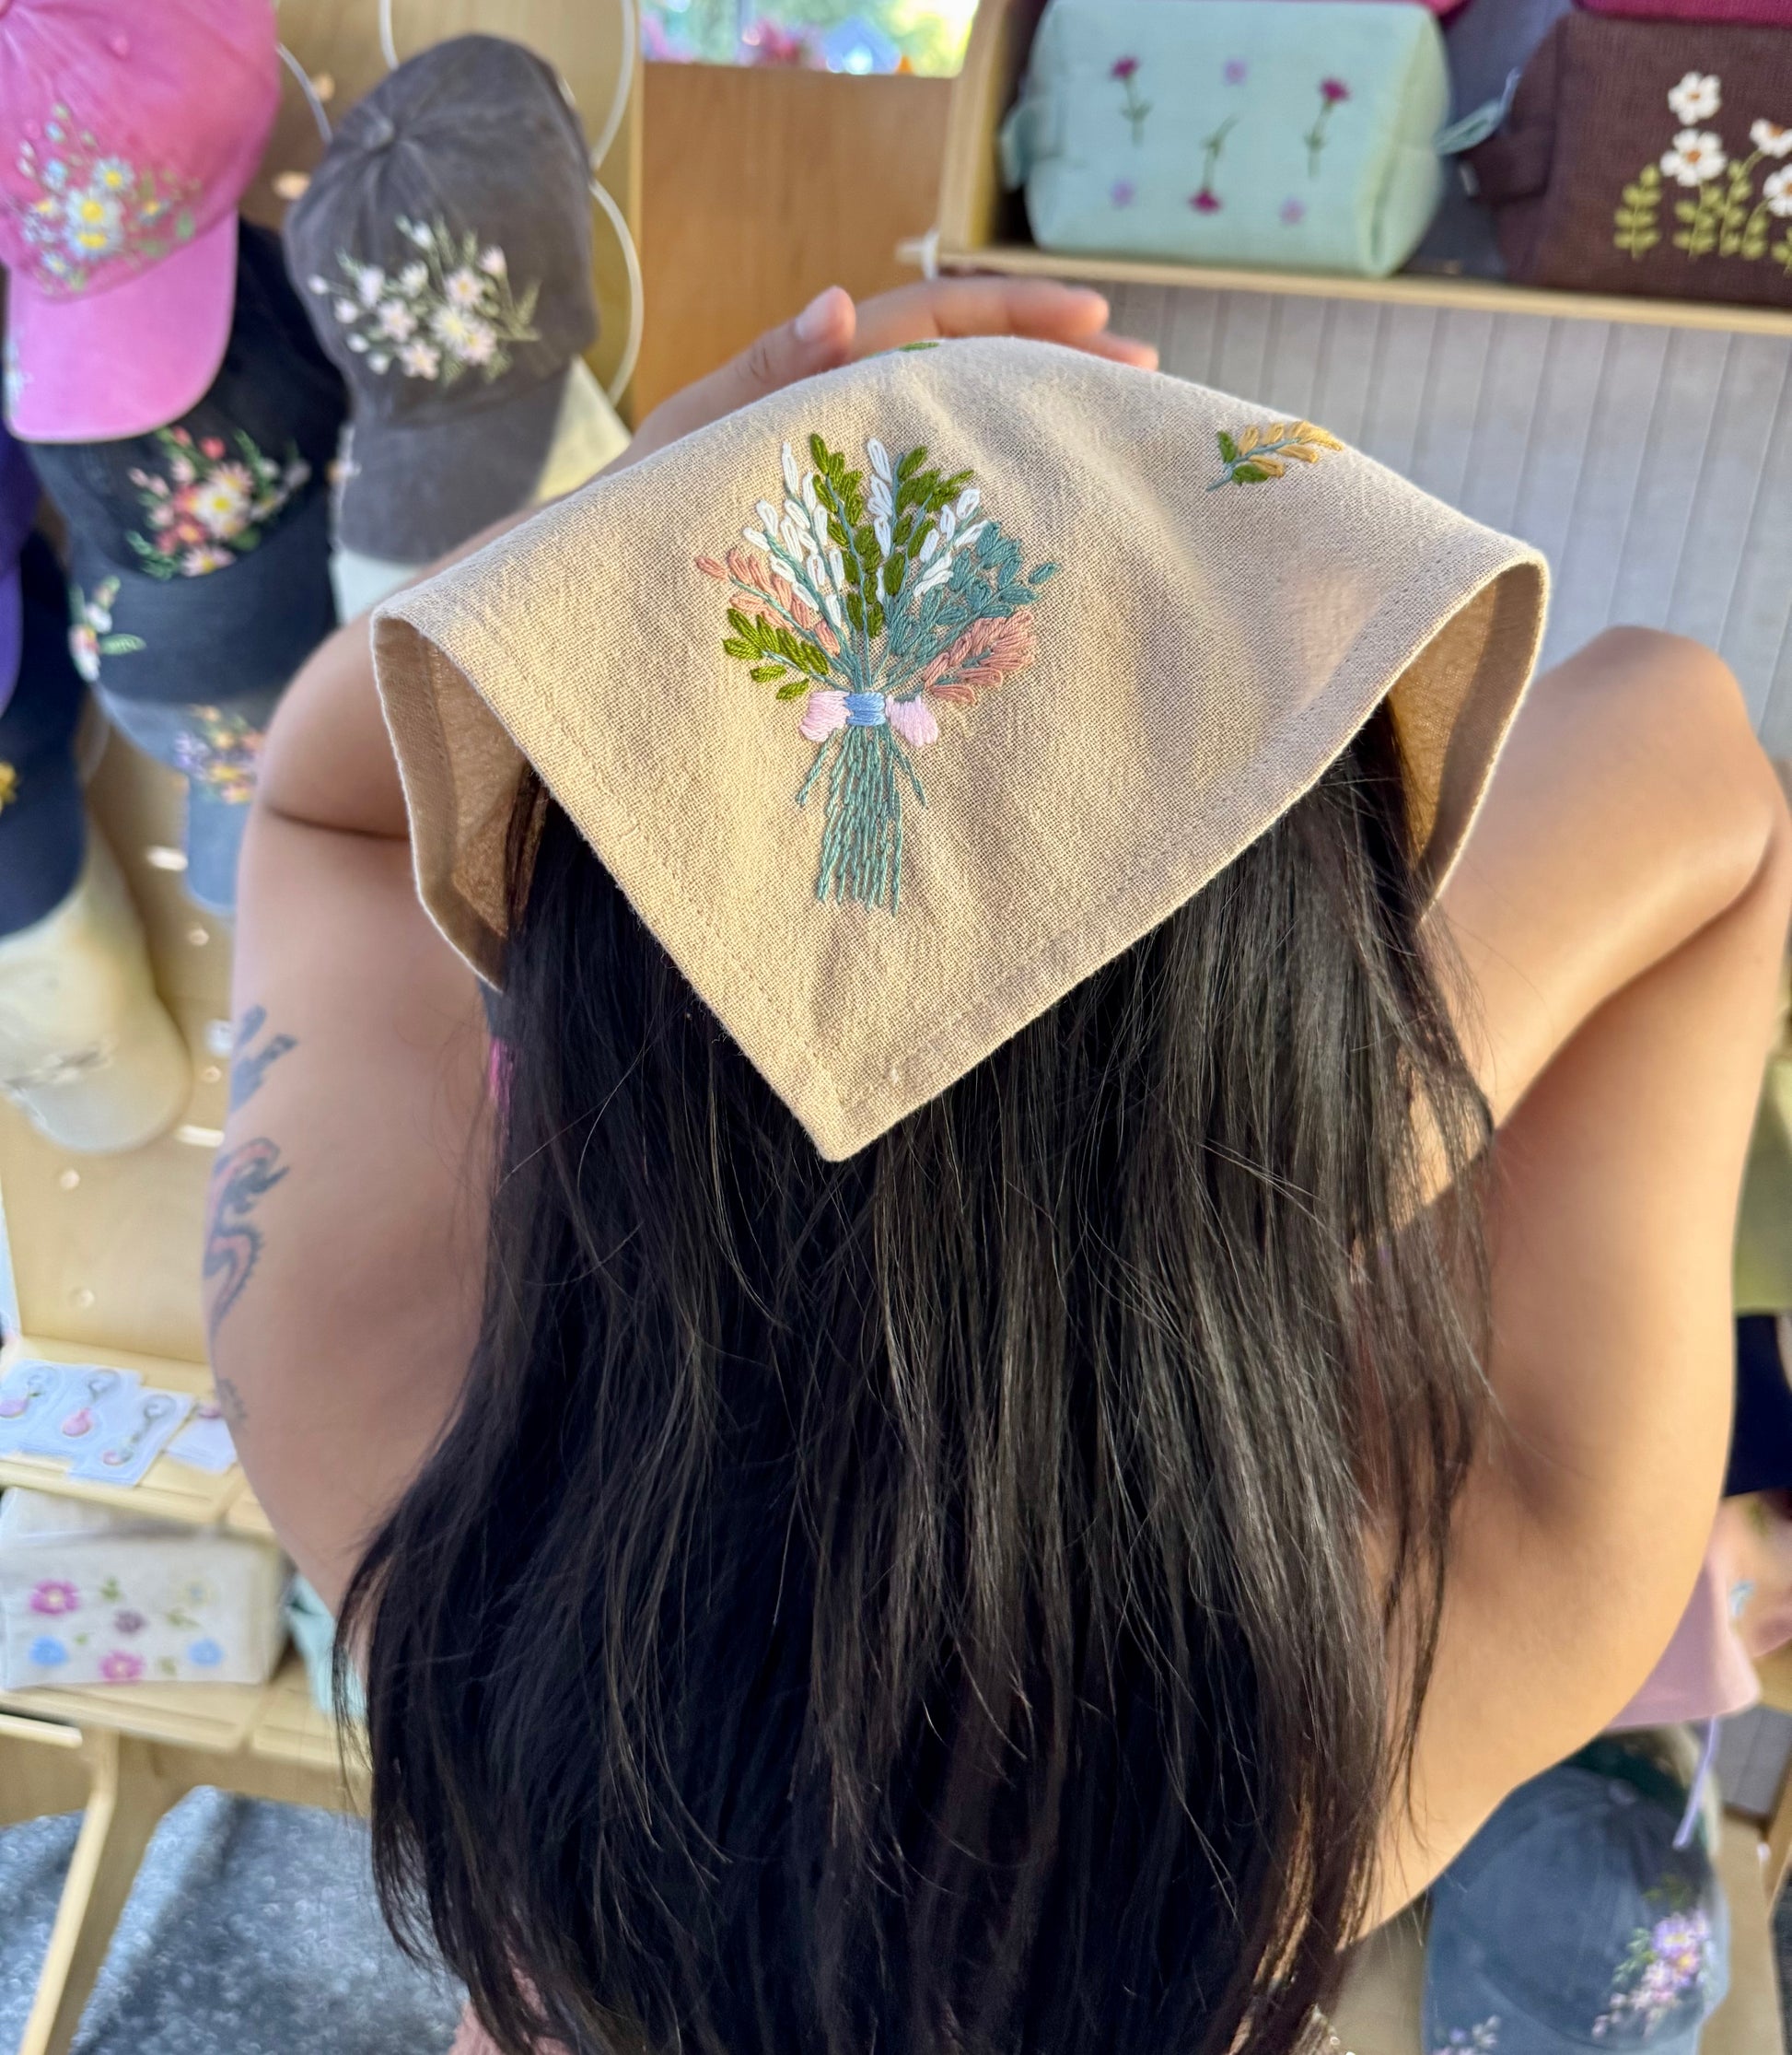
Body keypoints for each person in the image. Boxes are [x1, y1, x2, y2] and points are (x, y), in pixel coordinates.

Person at [207, 278, 1791, 2055]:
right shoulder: (1462, 1616)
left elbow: (326, 819)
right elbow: (1690, 738)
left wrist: (631, 528)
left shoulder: (393, 1445)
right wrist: (1314, 1166)